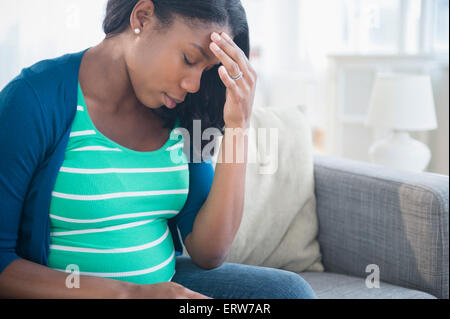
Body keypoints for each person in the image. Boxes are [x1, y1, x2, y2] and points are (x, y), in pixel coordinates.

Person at [0, 0, 317, 299]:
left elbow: (209, 252)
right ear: (142, 18)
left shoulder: (180, 112)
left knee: (289, 293)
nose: (194, 84)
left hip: (162, 288)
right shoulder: (33, 99)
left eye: (206, 70)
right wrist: (131, 294)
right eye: (189, 59)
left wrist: (238, 127)